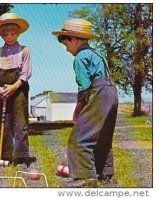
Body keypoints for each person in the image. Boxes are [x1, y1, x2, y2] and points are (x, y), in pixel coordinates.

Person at [52, 18, 118, 187]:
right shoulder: (96, 54)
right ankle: (105, 174)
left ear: (74, 39)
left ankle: (85, 178)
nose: (67, 50)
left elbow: (85, 86)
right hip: (112, 92)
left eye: (66, 44)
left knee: (79, 137)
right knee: (102, 136)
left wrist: (78, 109)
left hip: (100, 93)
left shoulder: (80, 58)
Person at [0, 13, 36, 166]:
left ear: (18, 33)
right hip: (1, 91)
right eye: (6, 34)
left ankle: (21, 156)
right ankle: (6, 156)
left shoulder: (24, 50)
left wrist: (14, 87)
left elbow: (25, 74)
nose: (9, 36)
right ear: (2, 35)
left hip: (19, 90)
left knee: (20, 123)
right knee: (4, 123)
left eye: (13, 33)